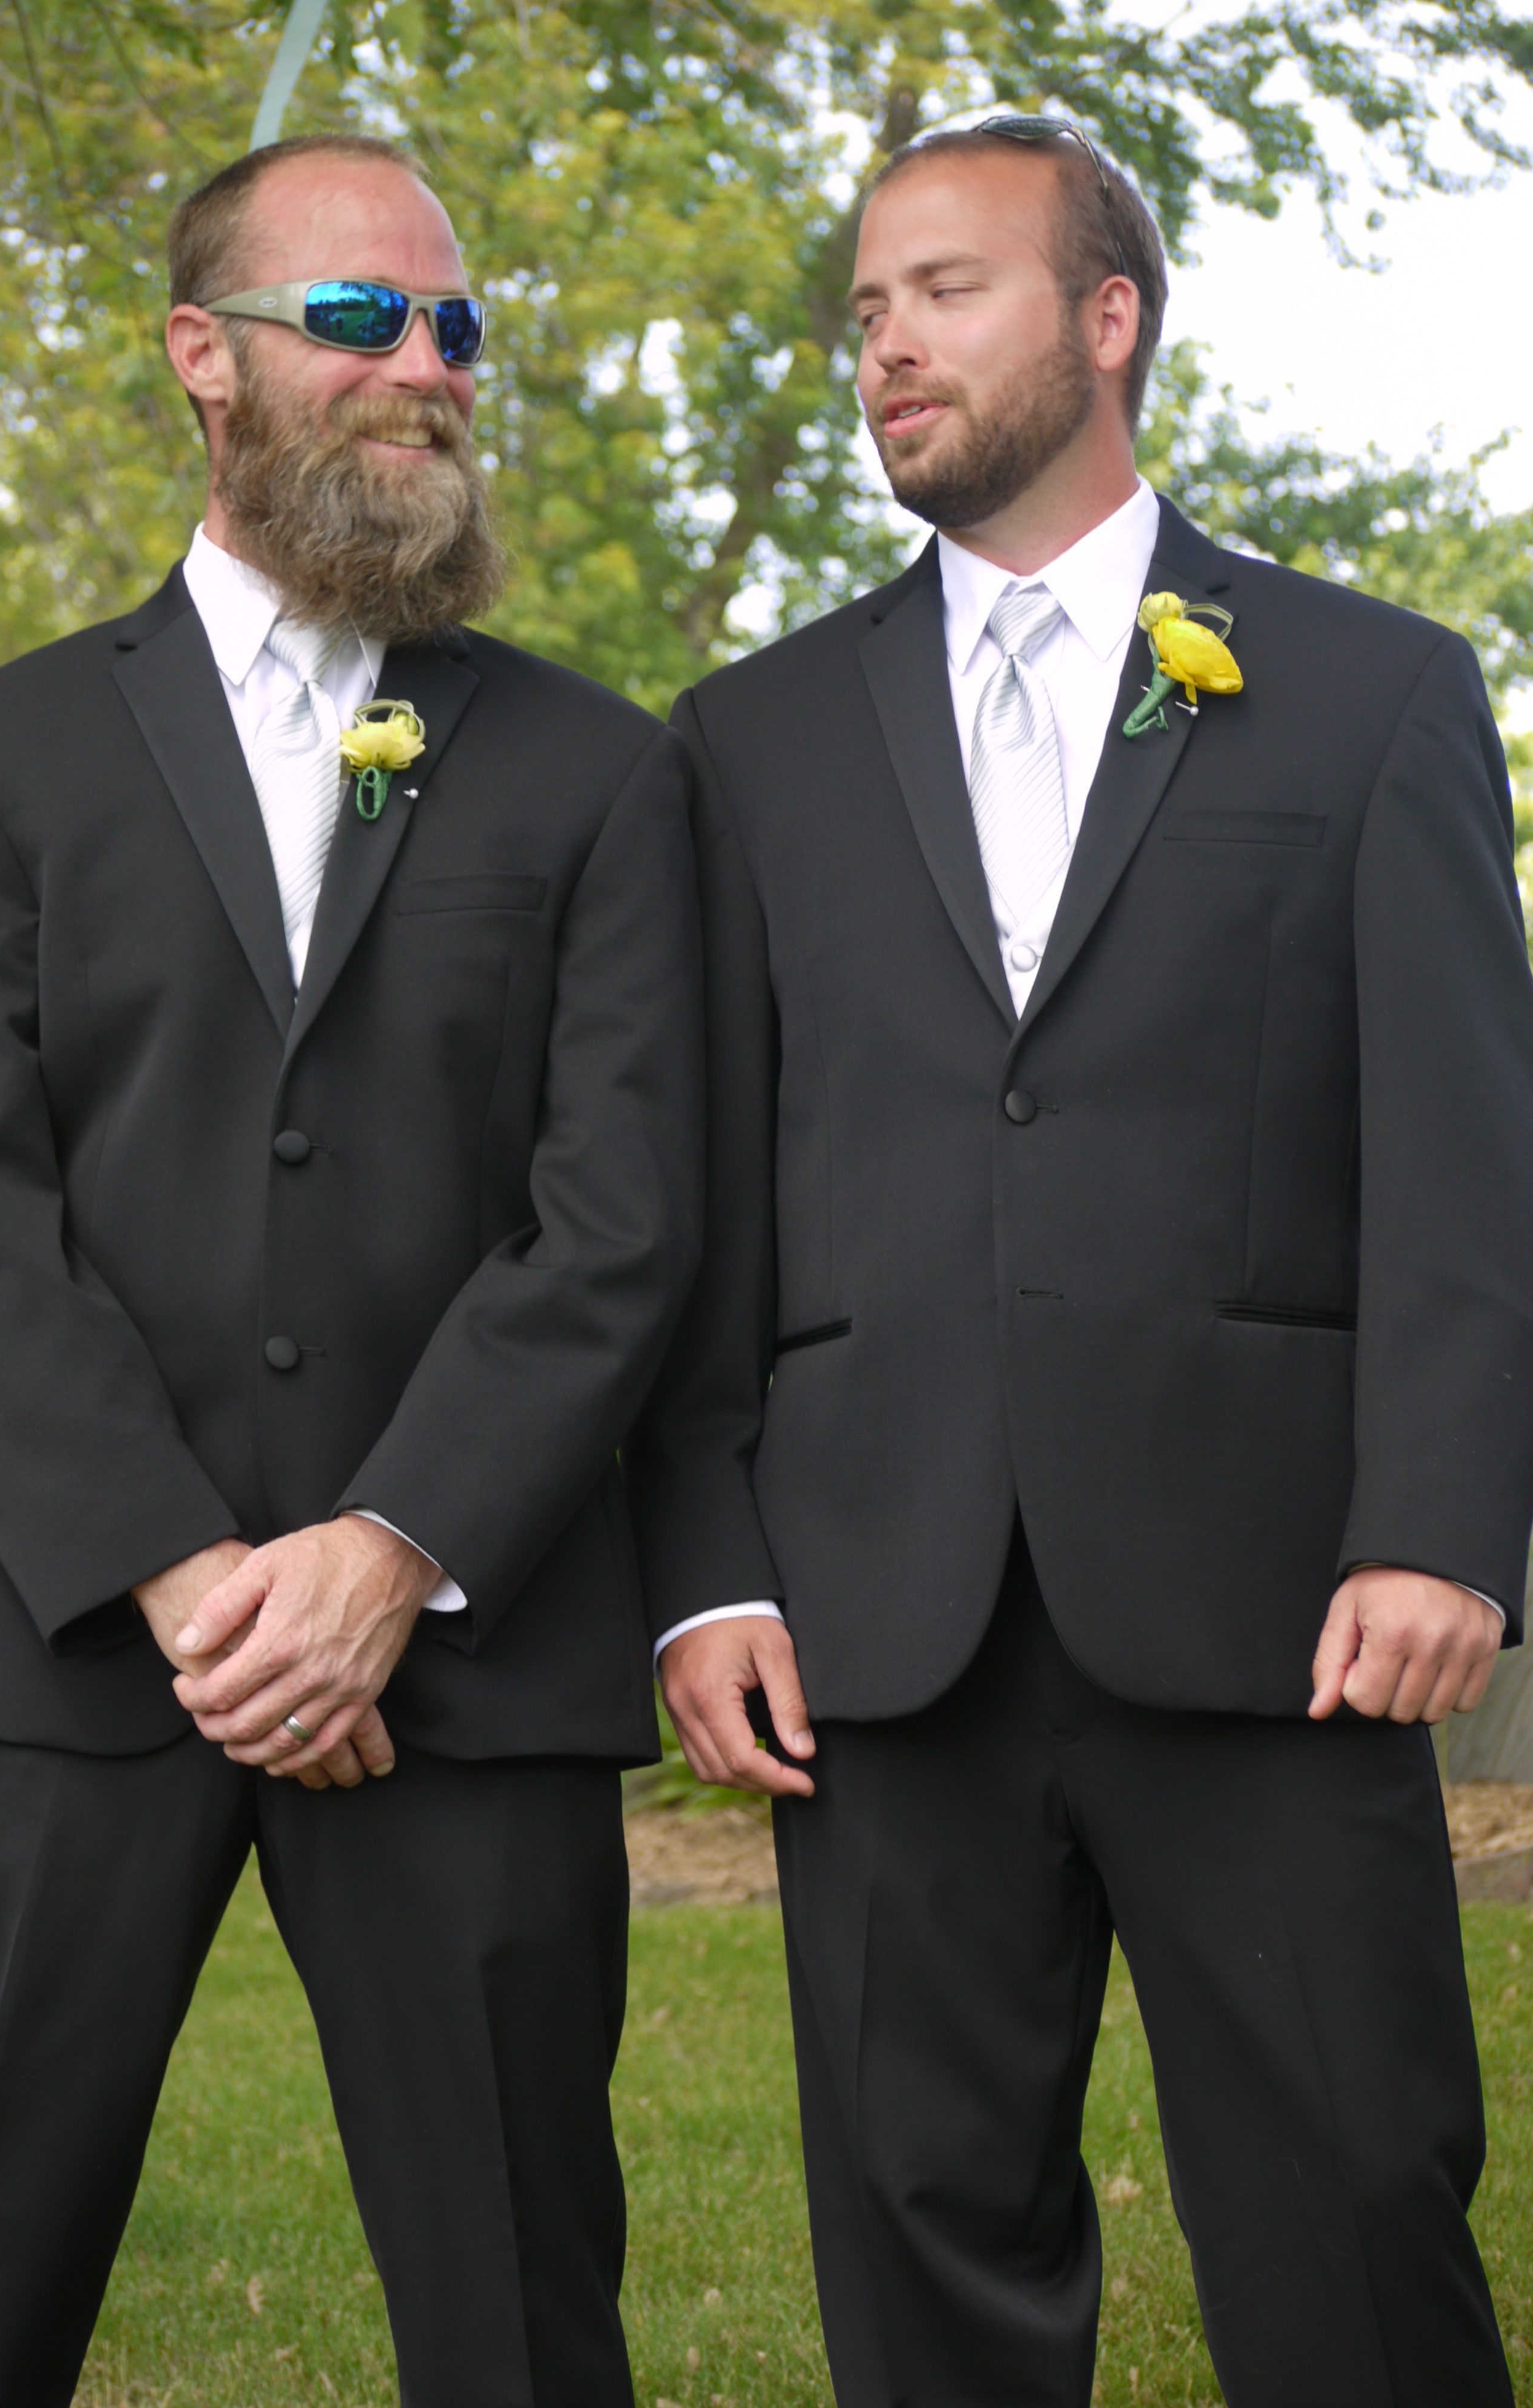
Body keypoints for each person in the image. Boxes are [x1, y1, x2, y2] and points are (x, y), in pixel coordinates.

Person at [629, 119, 1533, 2408]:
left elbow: (1466, 1153)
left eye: (946, 291)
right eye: (866, 311)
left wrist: (1441, 1523)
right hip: (877, 1623)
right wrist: (706, 1574)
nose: (888, 346)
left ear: (1109, 318)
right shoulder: (745, 742)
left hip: (1280, 1614)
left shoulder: (1373, 692)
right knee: (922, 2240)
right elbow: (701, 1192)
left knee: (1356, 2220)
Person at [0, 132, 700, 2407]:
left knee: (523, 2324)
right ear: (205, 355)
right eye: (361, 317)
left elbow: (622, 1210)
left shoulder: (598, 772)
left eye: (456, 325)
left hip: (463, 1658)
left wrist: (389, 1551)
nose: (425, 365)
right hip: (69, 1652)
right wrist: (188, 1580)